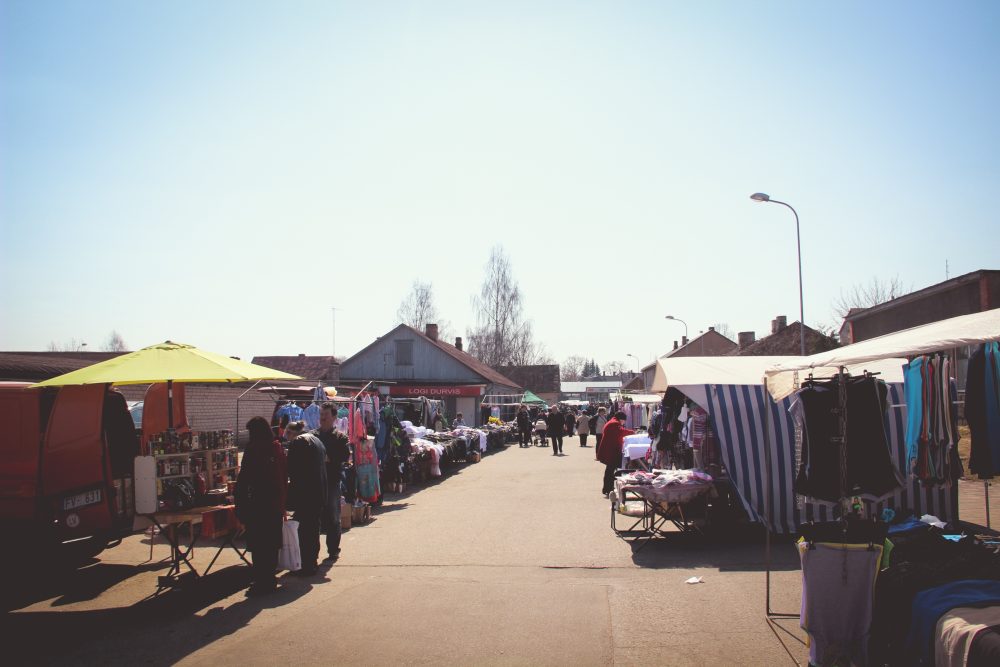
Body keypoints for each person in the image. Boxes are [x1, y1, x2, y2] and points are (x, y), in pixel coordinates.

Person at [235, 416, 287, 595]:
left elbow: (245, 477)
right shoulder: (276, 447)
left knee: (258, 545)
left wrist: (239, 501)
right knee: (271, 544)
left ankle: (260, 581)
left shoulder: (254, 449)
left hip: (258, 503)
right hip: (275, 503)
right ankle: (269, 579)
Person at [285, 421, 327, 575]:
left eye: (287, 434)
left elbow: (293, 469)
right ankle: (311, 562)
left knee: (305, 530)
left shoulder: (299, 442)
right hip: (319, 491)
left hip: (306, 493)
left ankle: (306, 564)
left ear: (293, 432)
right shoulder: (316, 439)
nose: (286, 438)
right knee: (313, 528)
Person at [312, 402, 352, 563]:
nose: (322, 418)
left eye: (326, 415)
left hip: (332, 481)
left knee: (333, 518)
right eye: (321, 415)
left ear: (334, 417)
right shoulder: (313, 436)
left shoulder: (340, 438)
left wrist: (328, 458)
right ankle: (311, 553)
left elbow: (344, 457)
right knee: (313, 518)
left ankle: (333, 550)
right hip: (314, 482)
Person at [597, 410, 635, 496]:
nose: (624, 423)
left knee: (609, 471)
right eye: (624, 421)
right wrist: (633, 432)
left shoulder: (613, 422)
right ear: (621, 419)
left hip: (609, 450)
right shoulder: (614, 423)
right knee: (610, 471)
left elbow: (620, 431)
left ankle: (608, 488)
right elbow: (621, 432)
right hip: (610, 451)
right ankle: (608, 489)